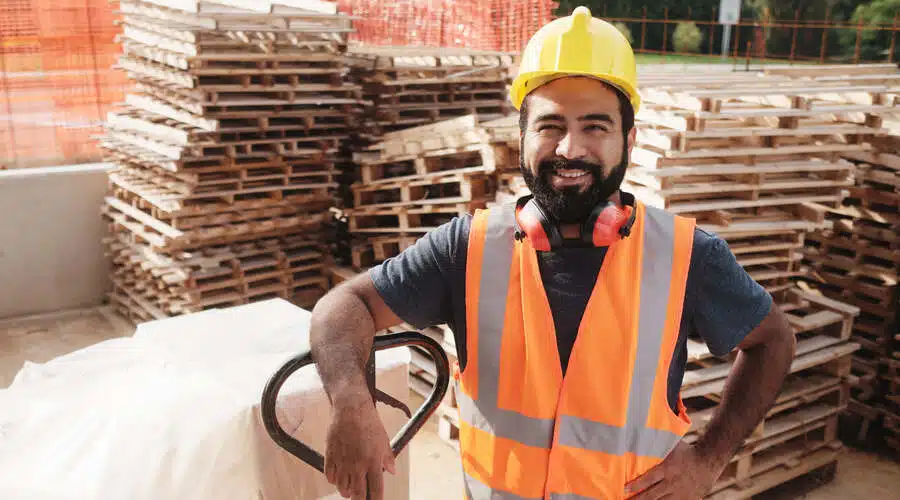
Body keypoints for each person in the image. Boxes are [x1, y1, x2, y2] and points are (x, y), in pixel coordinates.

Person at [308, 6, 796, 500]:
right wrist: (351, 403)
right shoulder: (468, 249)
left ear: (629, 140)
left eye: (595, 127)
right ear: (520, 136)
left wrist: (708, 459)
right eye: (550, 125)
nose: (569, 148)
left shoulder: (688, 257)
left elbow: (773, 341)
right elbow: (343, 307)